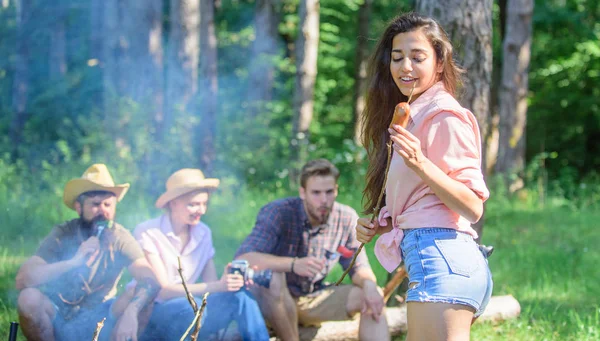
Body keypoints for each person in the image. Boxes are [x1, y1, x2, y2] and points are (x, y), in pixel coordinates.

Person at [355, 13, 493, 341]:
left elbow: (473, 207)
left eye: (418, 58)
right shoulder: (413, 113)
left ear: (440, 63)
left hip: (442, 258)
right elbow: (427, 200)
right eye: (397, 57)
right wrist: (384, 224)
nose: (405, 67)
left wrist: (420, 163)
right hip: (435, 257)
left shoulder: (444, 115)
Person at [235, 159, 390, 341]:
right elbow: (243, 258)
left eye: (329, 192)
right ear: (302, 192)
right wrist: (292, 264)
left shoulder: (346, 218)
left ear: (336, 190)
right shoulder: (278, 213)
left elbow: (358, 267)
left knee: (372, 297)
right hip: (275, 301)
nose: (324, 200)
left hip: (314, 297)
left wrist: (371, 286)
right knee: (274, 278)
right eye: (316, 193)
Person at [15, 164, 160, 341]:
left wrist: (131, 312)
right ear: (79, 207)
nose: (103, 211)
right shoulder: (63, 233)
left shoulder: (120, 237)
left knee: (139, 299)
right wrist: (73, 262)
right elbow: (24, 279)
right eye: (95, 204)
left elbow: (151, 280)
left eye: (108, 205)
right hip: (60, 316)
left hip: (102, 318)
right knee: (28, 298)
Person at [131, 168, 270, 341]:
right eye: (194, 204)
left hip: (190, 307)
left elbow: (210, 284)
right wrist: (219, 286)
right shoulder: (148, 231)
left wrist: (230, 282)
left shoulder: (203, 232)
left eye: (204, 204)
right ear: (173, 203)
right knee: (191, 309)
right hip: (156, 310)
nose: (201, 210)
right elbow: (163, 291)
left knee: (241, 298)